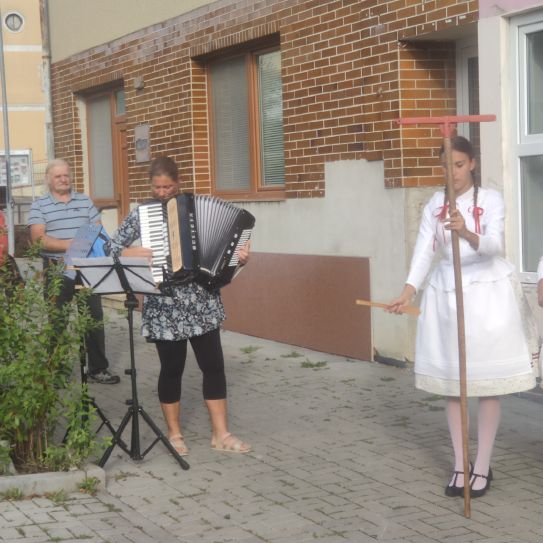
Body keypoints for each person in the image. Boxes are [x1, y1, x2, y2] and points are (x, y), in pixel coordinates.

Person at [388, 136, 535, 498]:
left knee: (485, 383)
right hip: (449, 295)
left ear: (472, 164)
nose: (452, 173)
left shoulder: (491, 199)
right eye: (445, 166)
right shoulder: (435, 204)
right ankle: (460, 463)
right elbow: (424, 251)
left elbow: (494, 245)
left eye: (458, 165)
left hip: (486, 296)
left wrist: (466, 231)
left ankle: (482, 465)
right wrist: (407, 291)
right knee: (452, 382)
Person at [104, 156, 251, 455]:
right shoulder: (141, 214)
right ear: (150, 185)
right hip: (164, 304)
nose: (162, 193)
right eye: (157, 187)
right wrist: (132, 251)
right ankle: (174, 434)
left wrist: (240, 259)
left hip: (202, 301)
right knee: (172, 369)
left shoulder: (195, 208)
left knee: (214, 366)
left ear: (178, 183)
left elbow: (226, 256)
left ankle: (221, 434)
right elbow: (110, 247)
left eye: (168, 187)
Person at [27, 159, 120, 384]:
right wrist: (71, 244)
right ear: (48, 179)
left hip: (86, 267)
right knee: (57, 320)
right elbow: (38, 239)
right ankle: (56, 371)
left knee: (93, 318)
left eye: (66, 175)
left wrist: (89, 245)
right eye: (58, 176)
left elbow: (97, 229)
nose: (63, 179)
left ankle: (97, 368)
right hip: (57, 269)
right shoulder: (39, 205)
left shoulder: (84, 200)